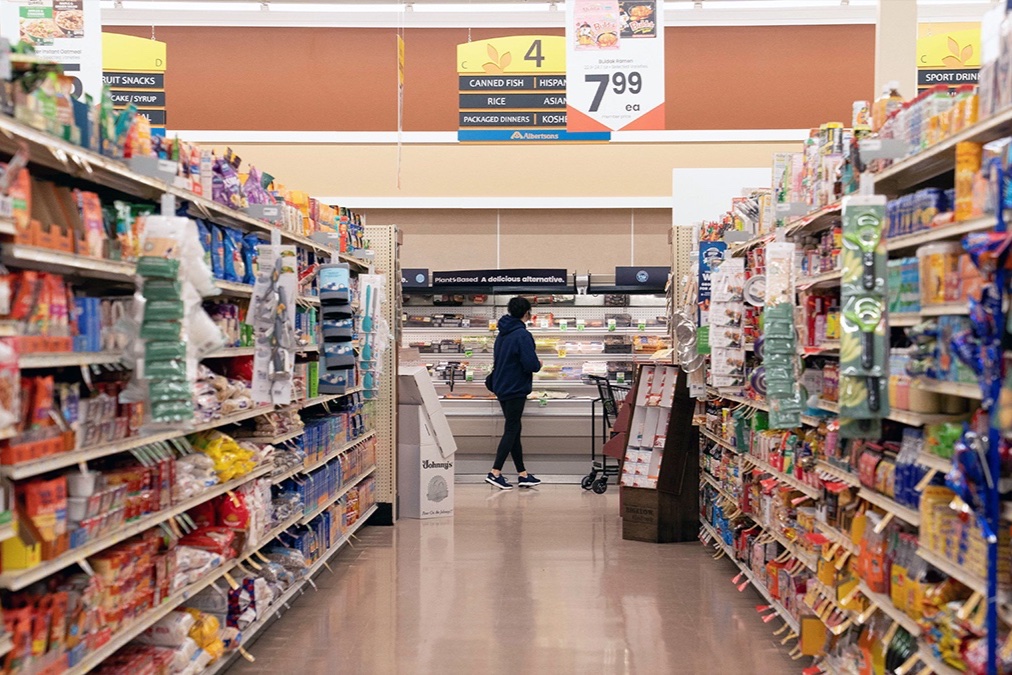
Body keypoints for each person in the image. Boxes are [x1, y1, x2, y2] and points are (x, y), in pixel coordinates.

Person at [486, 296, 543, 490]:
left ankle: (523, 474)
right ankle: (495, 472)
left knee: (514, 429)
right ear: (527, 313)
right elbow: (531, 364)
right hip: (515, 387)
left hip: (502, 386)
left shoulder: (502, 333)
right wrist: (539, 364)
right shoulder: (522, 335)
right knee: (511, 429)